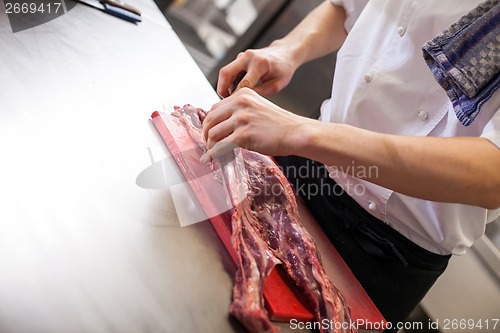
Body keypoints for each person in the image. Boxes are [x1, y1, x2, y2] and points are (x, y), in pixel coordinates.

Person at [200, 0, 500, 331]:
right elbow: (346, 8)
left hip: (381, 253)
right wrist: (286, 51)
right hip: (301, 167)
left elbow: (492, 174)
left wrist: (301, 132)